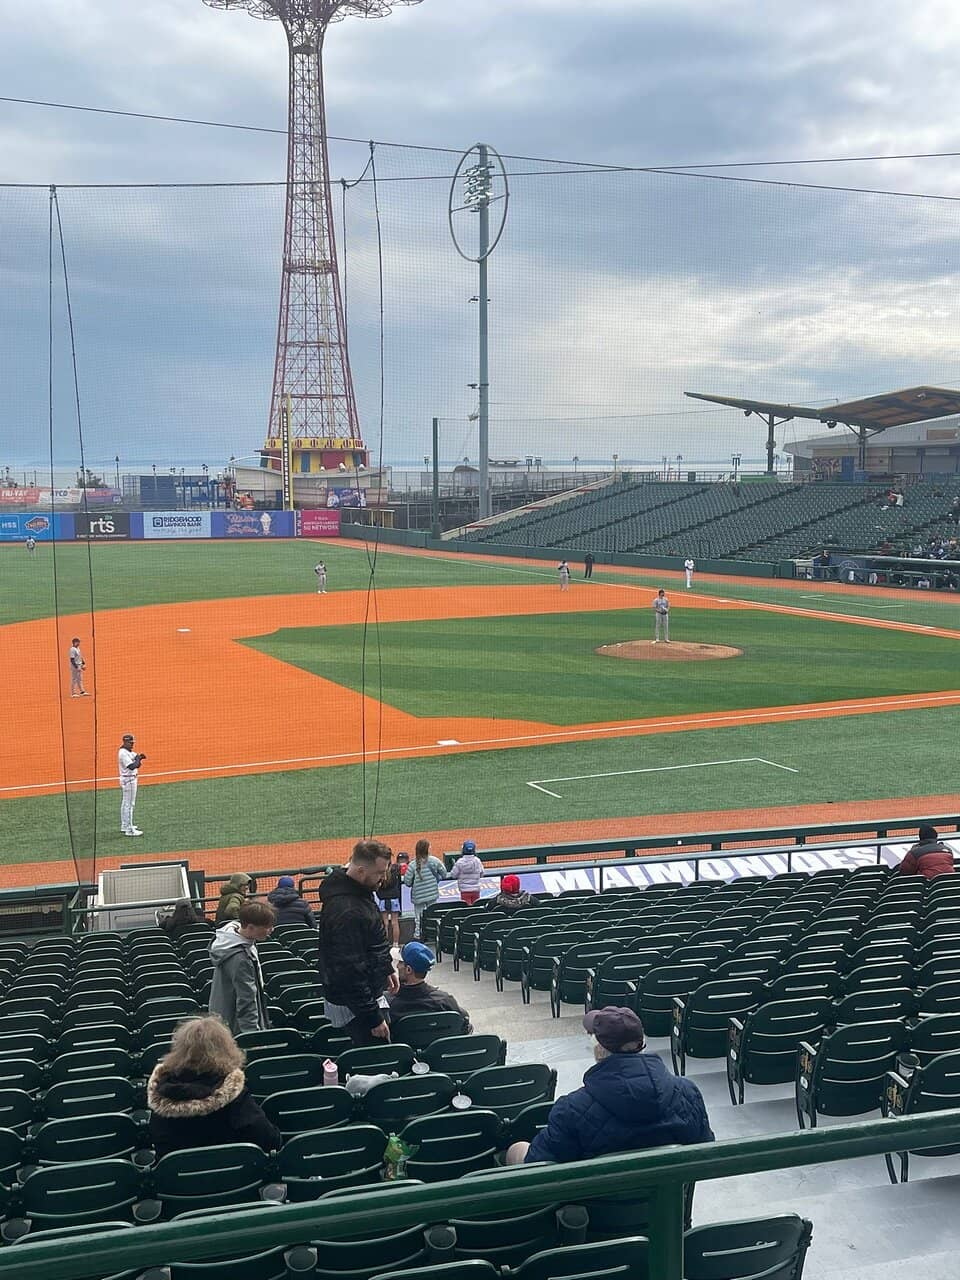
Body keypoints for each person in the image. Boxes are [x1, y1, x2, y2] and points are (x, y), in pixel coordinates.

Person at [506, 1007, 713, 1166]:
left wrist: (516, 1151)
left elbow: (538, 1164)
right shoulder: (688, 1092)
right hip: (669, 1212)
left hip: (599, 1218)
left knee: (515, 1151)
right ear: (641, 1043)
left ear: (599, 1049)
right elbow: (705, 1153)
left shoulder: (571, 1109)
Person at [147, 1015, 281, 1160]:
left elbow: (161, 1150)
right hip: (236, 1178)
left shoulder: (163, 1093)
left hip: (181, 1180)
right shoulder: (235, 1097)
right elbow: (270, 1140)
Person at [318, 839, 398, 1046]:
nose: (383, 878)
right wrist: (373, 1017)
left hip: (366, 994)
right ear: (361, 871)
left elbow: (370, 942)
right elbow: (349, 970)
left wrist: (386, 967)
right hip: (357, 1007)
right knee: (375, 1061)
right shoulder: (347, 912)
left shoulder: (356, 890)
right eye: (380, 873)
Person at [208, 901, 276, 1034]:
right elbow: (246, 999)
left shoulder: (235, 939)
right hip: (235, 1026)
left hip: (223, 1018)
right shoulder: (240, 959)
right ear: (250, 927)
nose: (271, 930)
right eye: (266, 927)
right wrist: (253, 1036)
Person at [387, 941, 473, 1032]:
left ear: (409, 970)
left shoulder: (389, 1003)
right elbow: (464, 1023)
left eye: (400, 962)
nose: (397, 966)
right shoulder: (444, 1001)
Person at [403, 838, 448, 939]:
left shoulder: (412, 865)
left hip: (418, 896)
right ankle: (434, 935)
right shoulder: (434, 861)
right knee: (433, 915)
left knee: (418, 918)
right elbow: (444, 873)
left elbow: (407, 882)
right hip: (432, 895)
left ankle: (418, 936)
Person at [118, 733, 146, 837]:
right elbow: (133, 766)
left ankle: (125, 825)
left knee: (125, 804)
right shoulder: (123, 754)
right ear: (125, 742)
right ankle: (129, 830)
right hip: (129, 781)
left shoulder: (126, 752)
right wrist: (139, 760)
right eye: (130, 743)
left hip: (128, 780)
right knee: (129, 805)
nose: (132, 744)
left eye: (132, 742)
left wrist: (139, 758)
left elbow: (136, 756)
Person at [377, 856, 403, 947]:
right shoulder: (395, 870)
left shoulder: (380, 872)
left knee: (385, 923)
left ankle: (385, 944)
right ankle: (395, 943)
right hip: (394, 899)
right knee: (395, 922)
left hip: (383, 900)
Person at [448, 839, 484, 905]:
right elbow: (482, 873)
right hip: (476, 890)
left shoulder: (460, 862)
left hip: (464, 891)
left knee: (467, 908)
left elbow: (453, 875)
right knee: (476, 907)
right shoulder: (477, 861)